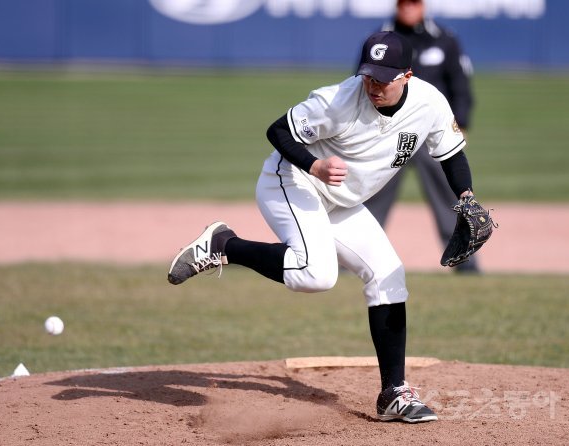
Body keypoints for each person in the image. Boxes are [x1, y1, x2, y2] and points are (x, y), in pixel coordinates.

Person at [168, 31, 480, 423]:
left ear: (407, 75)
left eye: (384, 78)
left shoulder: (429, 103)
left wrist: (467, 197)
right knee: (315, 274)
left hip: (341, 200)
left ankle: (393, 394)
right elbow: (278, 131)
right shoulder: (336, 101)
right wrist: (314, 165)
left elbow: (451, 154)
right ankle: (225, 245)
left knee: (388, 275)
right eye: (369, 76)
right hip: (292, 181)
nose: (374, 85)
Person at [363, 0, 479, 273]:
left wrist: (461, 122)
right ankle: (353, 256)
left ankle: (464, 260)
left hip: (431, 134)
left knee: (448, 196)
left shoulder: (444, 39)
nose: (408, 8)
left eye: (413, 2)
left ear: (423, 5)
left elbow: (459, 83)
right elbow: (363, 83)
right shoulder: (380, 39)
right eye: (403, 3)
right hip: (389, 133)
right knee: (372, 194)